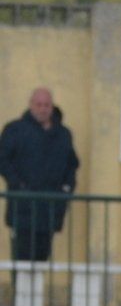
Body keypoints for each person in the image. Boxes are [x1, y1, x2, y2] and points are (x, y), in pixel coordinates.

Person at [0, 87, 80, 262]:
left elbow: (72, 165)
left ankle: (34, 290)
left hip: (50, 208)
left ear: (52, 107)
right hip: (22, 208)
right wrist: (17, 185)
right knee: (21, 259)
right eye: (39, 104)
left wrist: (66, 190)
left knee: (42, 259)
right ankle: (20, 291)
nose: (43, 109)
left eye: (47, 105)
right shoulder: (15, 130)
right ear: (31, 105)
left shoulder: (63, 134)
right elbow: (3, 160)